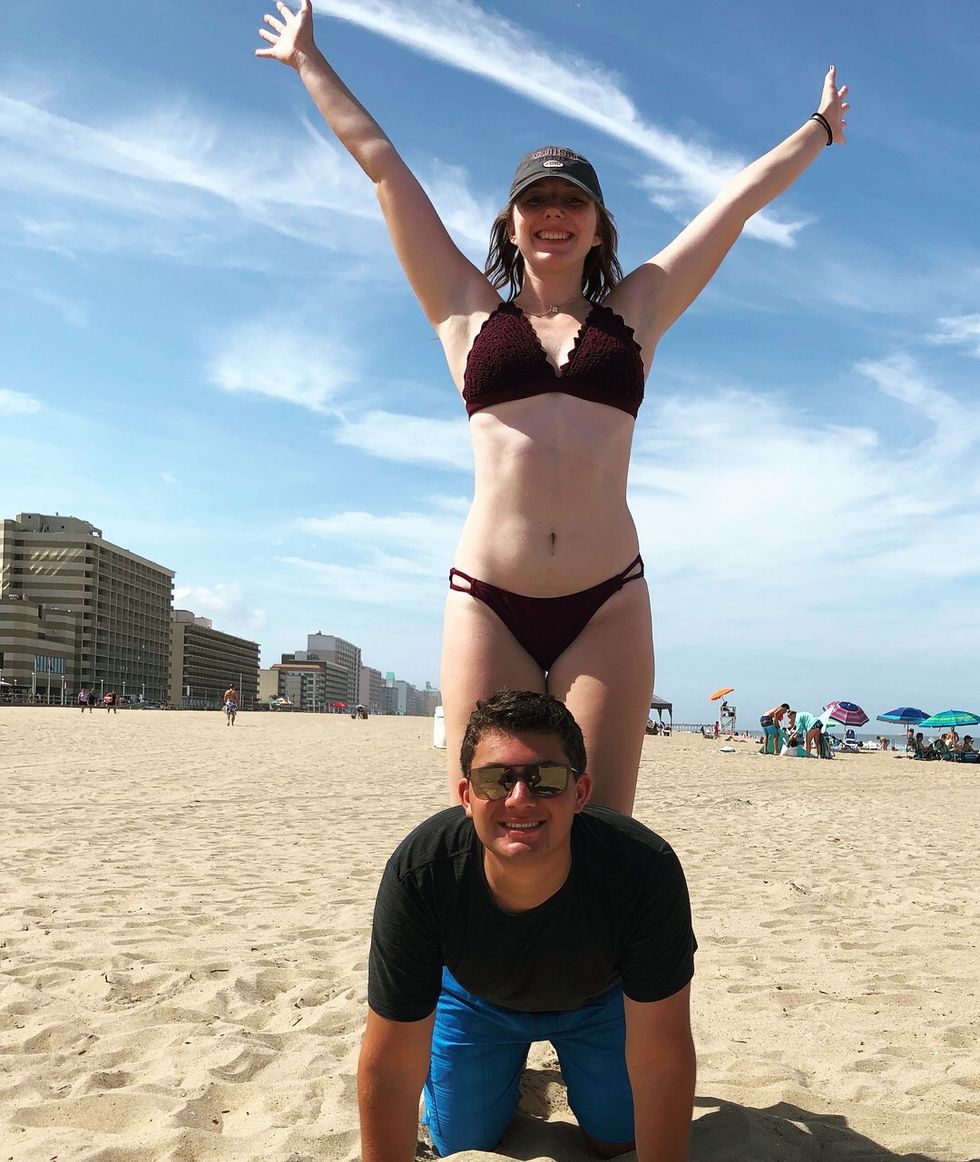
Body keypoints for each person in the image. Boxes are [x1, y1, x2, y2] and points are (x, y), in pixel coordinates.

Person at [256, 2, 849, 813]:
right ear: (511, 224)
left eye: (574, 202)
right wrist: (308, 62)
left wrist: (819, 129)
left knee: (601, 827)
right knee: (490, 820)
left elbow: (735, 204)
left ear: (600, 228)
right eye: (537, 201)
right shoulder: (463, 309)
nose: (555, 214)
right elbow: (384, 168)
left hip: (608, 601)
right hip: (488, 599)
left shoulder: (639, 309)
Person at [357, 690, 696, 1160]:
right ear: (467, 796)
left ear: (580, 793)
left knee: (618, 1141)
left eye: (546, 779)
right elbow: (391, 1065)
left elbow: (662, 1061)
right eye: (495, 780)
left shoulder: (643, 868)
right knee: (462, 1143)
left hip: (598, 1000)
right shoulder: (423, 870)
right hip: (475, 998)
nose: (519, 798)